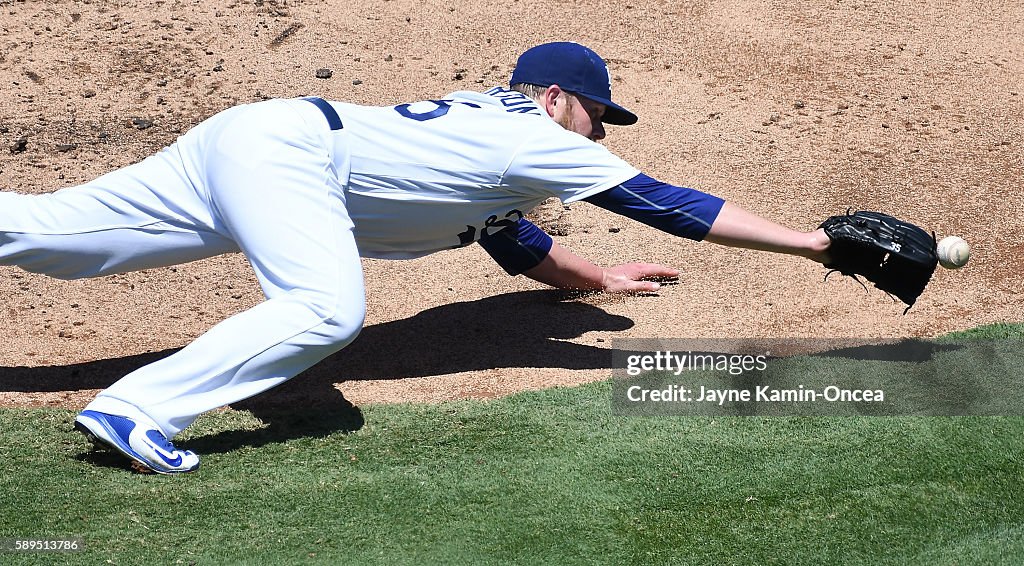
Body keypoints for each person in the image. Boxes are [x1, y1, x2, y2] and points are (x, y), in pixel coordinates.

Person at [0, 42, 830, 474]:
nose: (601, 133)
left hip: (253, 142)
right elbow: (667, 206)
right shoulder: (537, 136)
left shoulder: (491, 138)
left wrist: (598, 278)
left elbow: (508, 233)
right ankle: (137, 411)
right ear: (554, 100)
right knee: (327, 309)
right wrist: (814, 244)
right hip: (287, 159)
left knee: (51, 239)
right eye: (597, 114)